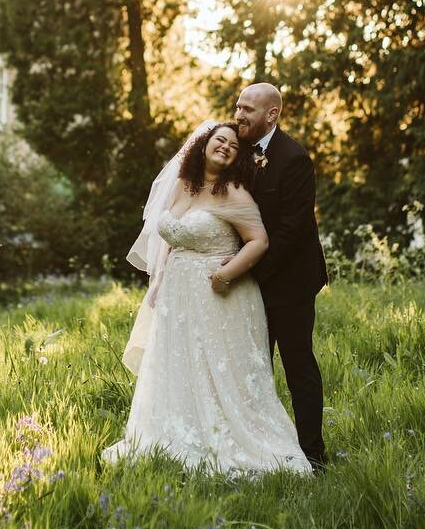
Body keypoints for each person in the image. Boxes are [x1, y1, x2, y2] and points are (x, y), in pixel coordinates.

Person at [102, 121, 311, 475]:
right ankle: (179, 432)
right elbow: (169, 237)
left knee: (218, 369)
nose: (226, 147)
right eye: (220, 139)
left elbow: (259, 241)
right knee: (181, 365)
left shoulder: (233, 192)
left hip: (219, 297)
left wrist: (226, 274)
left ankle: (235, 440)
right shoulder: (183, 185)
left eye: (233, 145)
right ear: (203, 144)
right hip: (178, 297)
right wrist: (158, 281)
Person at [232, 83, 328, 470]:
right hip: (248, 279)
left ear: (271, 114)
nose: (239, 115)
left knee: (297, 363)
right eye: (238, 106)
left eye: (248, 109)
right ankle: (262, 447)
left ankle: (314, 454)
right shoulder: (235, 147)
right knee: (254, 366)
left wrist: (252, 273)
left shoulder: (294, 159)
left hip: (289, 282)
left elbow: (293, 230)